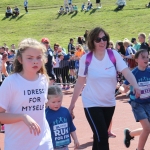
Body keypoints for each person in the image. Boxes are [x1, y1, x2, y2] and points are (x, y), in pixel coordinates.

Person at [69, 27, 141, 150]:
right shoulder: (86, 59)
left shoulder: (113, 55)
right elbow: (80, 83)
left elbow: (127, 72)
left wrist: (136, 86)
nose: (102, 41)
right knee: (102, 137)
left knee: (98, 137)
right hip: (91, 102)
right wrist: (72, 105)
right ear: (92, 41)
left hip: (109, 103)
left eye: (104, 38)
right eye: (98, 39)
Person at [0, 38, 53, 150]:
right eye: (29, 58)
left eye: (38, 57)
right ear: (20, 59)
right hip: (18, 144)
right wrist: (22, 117)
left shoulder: (44, 80)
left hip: (44, 142)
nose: (35, 61)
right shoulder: (11, 82)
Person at [120, 49, 150, 150]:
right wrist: (121, 89)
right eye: (143, 57)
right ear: (136, 60)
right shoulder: (133, 73)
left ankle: (130, 134)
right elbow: (124, 87)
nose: (146, 59)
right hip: (137, 104)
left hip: (148, 102)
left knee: (148, 129)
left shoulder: (149, 71)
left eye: (147, 56)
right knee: (147, 127)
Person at [46, 85, 79, 150]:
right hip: (52, 147)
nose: (56, 104)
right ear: (47, 101)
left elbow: (71, 126)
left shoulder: (65, 111)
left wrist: (75, 139)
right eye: (53, 102)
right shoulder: (45, 114)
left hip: (65, 146)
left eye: (59, 101)